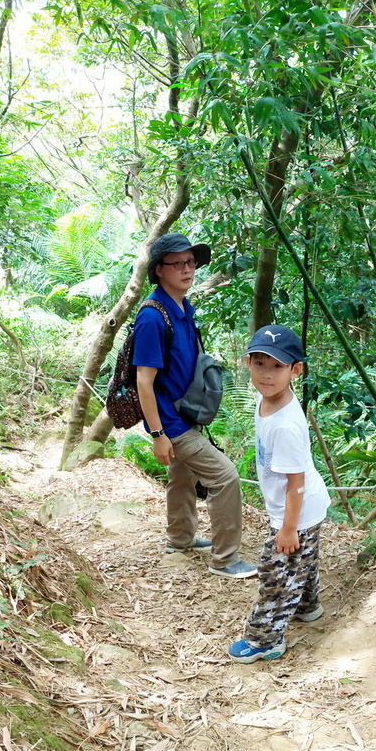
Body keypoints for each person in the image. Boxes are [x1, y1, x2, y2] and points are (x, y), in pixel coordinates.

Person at [133, 233, 256, 579]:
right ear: (159, 270)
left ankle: (180, 539)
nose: (188, 269)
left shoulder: (184, 307)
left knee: (182, 475)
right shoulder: (152, 318)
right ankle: (226, 559)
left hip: (184, 414)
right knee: (225, 476)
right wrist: (158, 433)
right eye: (178, 263)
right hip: (170, 422)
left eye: (191, 262)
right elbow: (144, 381)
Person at [228, 325, 331, 662]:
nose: (266, 375)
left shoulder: (287, 425)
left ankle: (265, 640)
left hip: (296, 509)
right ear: (248, 363)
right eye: (259, 364)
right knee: (302, 559)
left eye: (277, 367)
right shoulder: (265, 397)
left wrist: (287, 528)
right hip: (301, 506)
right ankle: (308, 606)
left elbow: (295, 483)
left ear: (295, 369)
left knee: (276, 573)